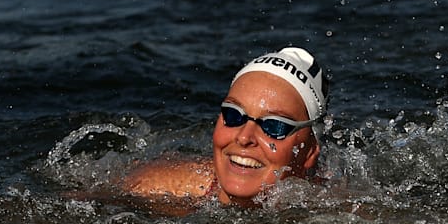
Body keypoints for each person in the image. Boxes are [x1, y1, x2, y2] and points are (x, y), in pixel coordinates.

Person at [122, 47, 329, 207]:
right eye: (233, 115)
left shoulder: (334, 216)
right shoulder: (157, 189)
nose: (244, 137)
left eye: (274, 125)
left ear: (310, 152)